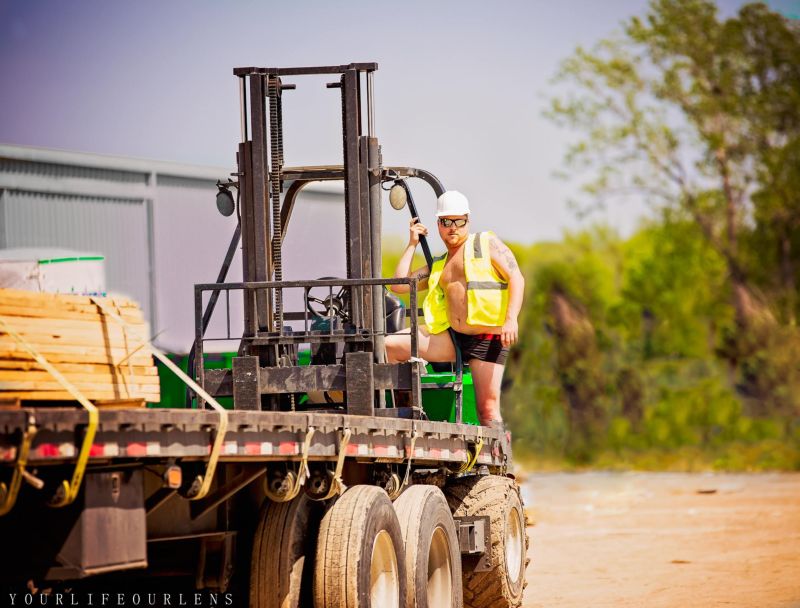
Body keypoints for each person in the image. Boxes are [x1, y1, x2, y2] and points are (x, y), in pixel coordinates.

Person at [385, 190, 524, 428]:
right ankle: (407, 417)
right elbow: (399, 285)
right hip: (452, 337)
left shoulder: (486, 244)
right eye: (446, 222)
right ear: (438, 224)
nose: (453, 228)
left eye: (459, 221)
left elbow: (516, 278)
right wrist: (412, 244)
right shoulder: (438, 265)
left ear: (467, 220)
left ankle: (501, 452)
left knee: (487, 410)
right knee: (390, 346)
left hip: (486, 337)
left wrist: (511, 319)